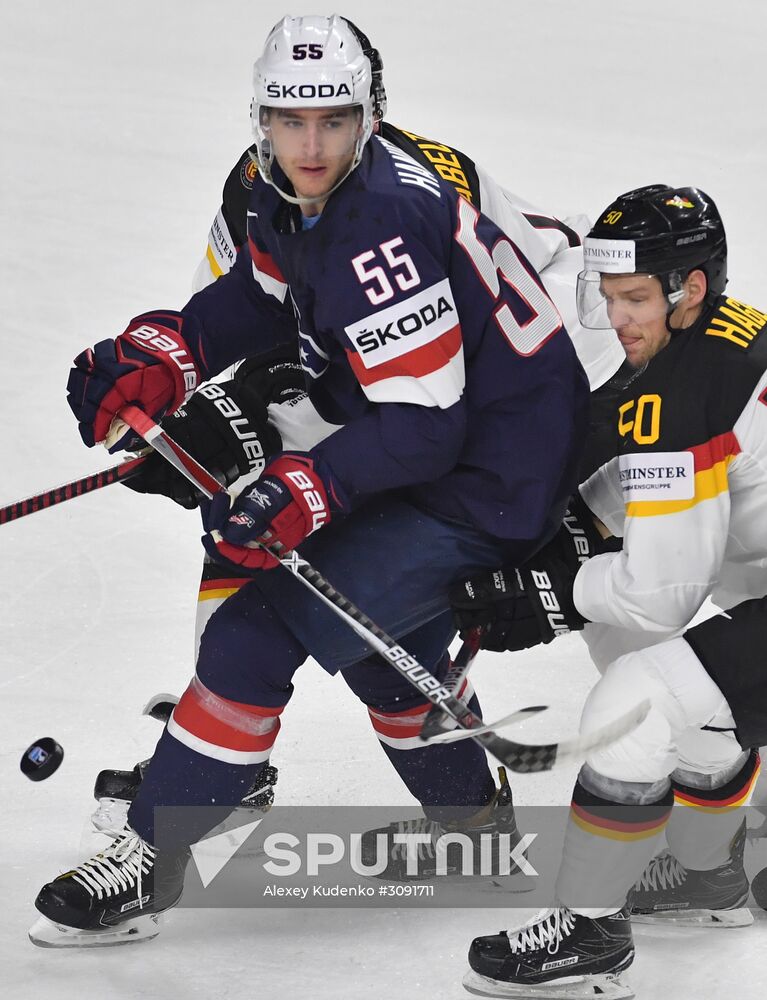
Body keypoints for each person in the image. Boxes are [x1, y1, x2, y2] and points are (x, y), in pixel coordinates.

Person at [29, 14, 589, 947]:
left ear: (367, 115)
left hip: (489, 470)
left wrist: (308, 487)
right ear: (262, 119)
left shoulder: (379, 225)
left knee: (256, 634)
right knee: (379, 633)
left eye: (333, 119)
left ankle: (150, 852)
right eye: (292, 121)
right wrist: (167, 348)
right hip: (469, 435)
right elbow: (260, 297)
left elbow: (425, 427)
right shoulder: (290, 193)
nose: (312, 144)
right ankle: (473, 829)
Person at [456, 184, 766, 999]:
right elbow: (645, 492)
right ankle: (710, 872)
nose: (618, 317)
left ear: (689, 289)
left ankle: (590, 936)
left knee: (635, 696)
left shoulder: (680, 392)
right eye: (609, 296)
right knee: (649, 659)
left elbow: (662, 592)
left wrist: (556, 584)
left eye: (634, 298)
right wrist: (575, 542)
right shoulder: (723, 341)